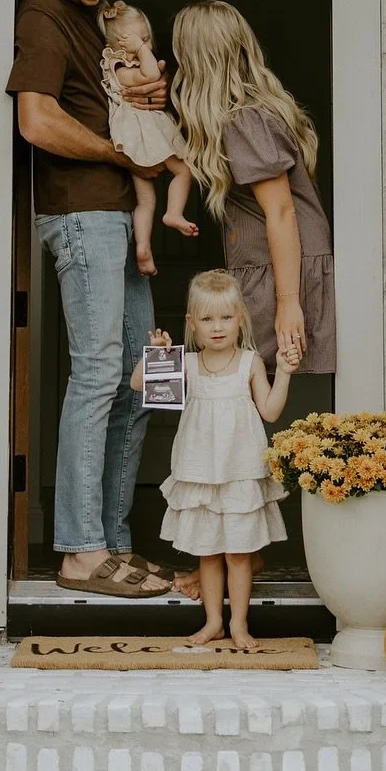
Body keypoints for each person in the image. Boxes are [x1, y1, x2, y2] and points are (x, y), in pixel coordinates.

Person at [6, 0, 170, 599]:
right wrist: (119, 151)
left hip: (119, 217)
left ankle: (113, 544)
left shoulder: (94, 15)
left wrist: (148, 92)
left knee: (147, 383)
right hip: (82, 216)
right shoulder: (42, 17)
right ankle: (77, 550)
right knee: (100, 376)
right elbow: (38, 121)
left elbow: (109, 86)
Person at [171, 0, 336, 376]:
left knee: (247, 387)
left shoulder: (243, 120)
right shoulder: (240, 118)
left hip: (282, 272)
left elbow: (281, 211)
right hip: (270, 267)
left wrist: (288, 302)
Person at [140, 270, 297, 652]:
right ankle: (214, 623)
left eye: (225, 317)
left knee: (239, 554)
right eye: (207, 319)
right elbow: (138, 385)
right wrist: (161, 355)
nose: (217, 327)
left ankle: (240, 625)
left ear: (240, 318)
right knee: (208, 553)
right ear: (192, 324)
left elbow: (271, 411)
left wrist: (286, 373)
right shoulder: (189, 365)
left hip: (239, 472)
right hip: (200, 473)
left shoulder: (249, 362)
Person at [98, 0, 198, 276]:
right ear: (121, 44)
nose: (146, 43)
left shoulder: (119, 66)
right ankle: (174, 213)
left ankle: (143, 249)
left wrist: (145, 54)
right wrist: (144, 53)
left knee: (145, 201)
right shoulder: (120, 68)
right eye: (140, 39)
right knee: (183, 171)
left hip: (136, 139)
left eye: (147, 38)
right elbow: (151, 74)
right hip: (143, 135)